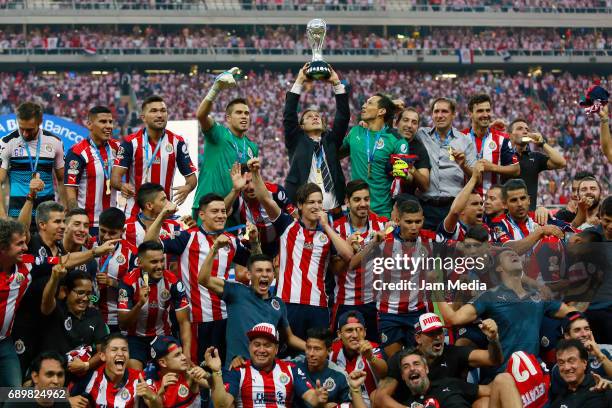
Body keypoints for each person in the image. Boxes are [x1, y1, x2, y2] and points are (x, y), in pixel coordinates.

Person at [248, 157, 353, 340]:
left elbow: (348, 255)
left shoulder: (328, 234)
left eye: (319, 202)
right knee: (286, 355)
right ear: (300, 205)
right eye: (311, 202)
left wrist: (326, 226)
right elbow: (265, 198)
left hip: (318, 304)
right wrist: (256, 173)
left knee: (316, 356)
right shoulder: (287, 225)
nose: (316, 206)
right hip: (287, 303)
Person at [144, 196, 255, 364]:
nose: (221, 215)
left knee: (225, 368)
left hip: (226, 319)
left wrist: (255, 243)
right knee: (199, 370)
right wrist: (162, 215)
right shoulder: (187, 237)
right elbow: (148, 245)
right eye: (215, 211)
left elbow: (255, 263)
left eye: (223, 211)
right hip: (197, 320)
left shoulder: (231, 241)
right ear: (202, 215)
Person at [13, 201, 116, 378]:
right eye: (58, 222)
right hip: (25, 325)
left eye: (63, 221)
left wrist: (94, 252)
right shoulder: (31, 244)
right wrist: (30, 198)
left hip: (49, 328)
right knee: (15, 384)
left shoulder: (59, 250)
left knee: (44, 381)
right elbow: (19, 230)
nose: (62, 226)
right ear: (42, 225)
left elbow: (66, 260)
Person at [437, 248, 576, 372]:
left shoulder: (538, 295)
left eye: (515, 253)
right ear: (499, 268)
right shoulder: (489, 296)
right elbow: (453, 318)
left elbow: (572, 314)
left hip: (534, 370)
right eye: (508, 255)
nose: (513, 254)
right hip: (504, 371)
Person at [348, 199, 434, 357]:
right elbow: (353, 264)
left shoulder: (429, 239)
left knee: (418, 363)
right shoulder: (383, 240)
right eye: (408, 222)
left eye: (418, 221)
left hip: (417, 312)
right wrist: (373, 244)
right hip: (389, 314)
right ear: (397, 220)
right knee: (395, 364)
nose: (414, 227)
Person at [198, 251, 304, 369]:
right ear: (249, 274)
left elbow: (289, 338)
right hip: (237, 368)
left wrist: (314, 348)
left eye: (268, 271)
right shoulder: (236, 291)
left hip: (266, 372)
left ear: (273, 275)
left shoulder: (278, 304)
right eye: (259, 270)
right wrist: (215, 248)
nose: (264, 274)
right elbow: (203, 279)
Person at [375, 312, 503, 408]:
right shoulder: (403, 359)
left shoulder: (454, 353)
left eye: (440, 332)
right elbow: (380, 396)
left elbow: (494, 360)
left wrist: (493, 340)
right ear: (418, 338)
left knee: (484, 403)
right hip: (415, 403)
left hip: (453, 401)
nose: (437, 337)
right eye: (431, 333)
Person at [205, 323, 332, 408]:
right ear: (249, 346)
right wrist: (216, 371)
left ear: (276, 349)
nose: (261, 350)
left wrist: (318, 397)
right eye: (257, 344)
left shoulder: (290, 369)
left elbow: (310, 396)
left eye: (267, 345)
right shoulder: (238, 370)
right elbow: (222, 405)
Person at [111, 95, 197, 218]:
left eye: (163, 111)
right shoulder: (130, 143)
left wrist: (188, 188)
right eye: (153, 111)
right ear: (143, 117)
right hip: (135, 214)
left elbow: (192, 179)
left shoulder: (177, 142)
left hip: (165, 214)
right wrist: (122, 186)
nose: (160, 115)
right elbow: (115, 178)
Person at [283, 63, 350, 214]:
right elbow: (289, 115)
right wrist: (299, 81)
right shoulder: (296, 141)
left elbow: (343, 117)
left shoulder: (331, 141)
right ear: (301, 126)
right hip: (305, 213)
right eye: (309, 116)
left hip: (335, 210)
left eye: (317, 116)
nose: (315, 117)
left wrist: (337, 84)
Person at [193, 68, 259, 216]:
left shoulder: (252, 147)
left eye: (247, 113)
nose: (244, 116)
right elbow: (201, 115)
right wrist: (215, 89)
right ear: (228, 118)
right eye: (239, 113)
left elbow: (248, 181)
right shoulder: (219, 134)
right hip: (207, 206)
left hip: (232, 210)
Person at [118, 240, 191, 370]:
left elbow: (184, 322)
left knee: (177, 370)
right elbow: (123, 323)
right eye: (154, 262)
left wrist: (187, 353)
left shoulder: (173, 282)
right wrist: (139, 304)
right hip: (136, 338)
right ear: (140, 263)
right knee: (135, 373)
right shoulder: (128, 282)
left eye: (162, 260)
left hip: (163, 336)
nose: (160, 266)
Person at [331, 180, 388, 341]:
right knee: (339, 351)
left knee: (374, 351)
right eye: (357, 200)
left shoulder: (382, 225)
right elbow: (335, 269)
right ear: (347, 202)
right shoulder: (337, 229)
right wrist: (348, 251)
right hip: (345, 301)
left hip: (374, 303)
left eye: (366, 199)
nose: (363, 204)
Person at [340, 93, 409, 218]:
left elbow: (400, 182)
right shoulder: (355, 131)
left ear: (381, 111)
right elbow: (334, 154)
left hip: (383, 213)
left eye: (369, 103)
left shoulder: (397, 141)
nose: (363, 106)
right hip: (355, 212)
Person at [0, 102, 66, 223]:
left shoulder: (55, 142)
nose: (25, 133)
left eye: (29, 129)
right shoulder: (6, 142)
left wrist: (66, 211)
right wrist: (2, 216)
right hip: (17, 213)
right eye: (21, 128)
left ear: (40, 122)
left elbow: (62, 180)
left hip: (48, 213)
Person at [40, 269, 107, 378]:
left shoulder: (95, 314)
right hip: (53, 375)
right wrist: (54, 278)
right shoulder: (55, 310)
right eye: (80, 293)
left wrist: (86, 365)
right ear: (66, 291)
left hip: (84, 377)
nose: (85, 298)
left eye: (88, 294)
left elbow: (103, 351)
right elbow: (46, 301)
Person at [64, 106, 120, 234]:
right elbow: (70, 189)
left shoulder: (118, 148)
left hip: (112, 223)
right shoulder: (77, 152)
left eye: (110, 122)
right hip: (89, 225)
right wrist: (78, 223)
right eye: (103, 122)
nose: (108, 126)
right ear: (89, 124)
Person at [69, 333, 161, 408]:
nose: (120, 353)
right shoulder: (91, 377)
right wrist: (67, 401)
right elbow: (55, 393)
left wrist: (153, 398)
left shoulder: (141, 379)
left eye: (124, 350)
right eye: (114, 350)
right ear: (103, 356)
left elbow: (158, 405)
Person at [225, 163, 297, 257]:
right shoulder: (237, 198)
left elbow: (295, 218)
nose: (251, 187)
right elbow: (222, 212)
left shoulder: (276, 191)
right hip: (253, 245)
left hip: (280, 243)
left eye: (253, 181)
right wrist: (235, 190)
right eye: (246, 182)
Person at [491, 179, 573, 256]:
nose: (519, 204)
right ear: (505, 204)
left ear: (529, 200)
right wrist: (541, 231)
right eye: (514, 200)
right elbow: (511, 250)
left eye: (523, 198)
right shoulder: (499, 223)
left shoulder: (540, 217)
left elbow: (574, 235)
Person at [294, 327, 368, 408]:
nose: (311, 353)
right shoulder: (294, 366)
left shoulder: (340, 375)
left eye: (317, 349)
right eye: (308, 348)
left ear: (329, 351)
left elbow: (349, 406)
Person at [462, 94, 519, 193]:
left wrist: (492, 167)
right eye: (480, 111)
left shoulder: (502, 139)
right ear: (470, 113)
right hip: (466, 203)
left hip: (493, 202)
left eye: (488, 110)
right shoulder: (459, 138)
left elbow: (516, 169)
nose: (485, 114)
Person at [396, 348, 489, 408]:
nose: (412, 368)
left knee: (500, 381)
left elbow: (490, 391)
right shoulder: (406, 406)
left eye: (416, 364)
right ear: (403, 376)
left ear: (426, 369)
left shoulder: (450, 383)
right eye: (406, 367)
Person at [330, 311, 387, 407]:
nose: (355, 335)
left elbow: (384, 372)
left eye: (359, 330)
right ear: (339, 334)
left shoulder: (372, 348)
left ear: (365, 332)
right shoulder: (333, 351)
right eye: (349, 330)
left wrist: (371, 357)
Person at [508, 118, 566, 211]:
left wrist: (542, 143)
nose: (525, 131)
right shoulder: (502, 155)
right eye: (520, 128)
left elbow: (562, 162)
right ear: (510, 135)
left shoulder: (535, 157)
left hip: (529, 216)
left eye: (527, 129)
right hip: (506, 215)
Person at [95, 207, 138, 332]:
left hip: (116, 319)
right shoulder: (88, 245)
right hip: (89, 316)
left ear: (122, 231)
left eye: (112, 233)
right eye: (102, 231)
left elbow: (137, 289)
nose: (107, 237)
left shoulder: (132, 253)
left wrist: (113, 283)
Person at [0, 218, 31, 387]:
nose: (25, 248)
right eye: (19, 244)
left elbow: (64, 261)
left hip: (4, 342)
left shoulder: (26, 266)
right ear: (3, 247)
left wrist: (94, 252)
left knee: (15, 395)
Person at [550, 311, 612, 394]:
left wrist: (600, 355)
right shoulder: (560, 367)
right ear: (567, 336)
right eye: (577, 330)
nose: (584, 334)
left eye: (586, 329)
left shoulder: (605, 352)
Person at [148, 336, 209, 408]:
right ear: (163, 363)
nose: (184, 357)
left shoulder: (189, 373)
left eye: (182, 353)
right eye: (177, 355)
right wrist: (161, 392)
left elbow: (217, 386)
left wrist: (208, 375)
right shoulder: (150, 383)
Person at [550, 339, 612, 408]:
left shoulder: (603, 385)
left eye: (571, 361)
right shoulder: (558, 401)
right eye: (561, 363)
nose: (566, 367)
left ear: (584, 363)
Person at [437, 161, 486, 243]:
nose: (481, 208)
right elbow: (455, 212)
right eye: (475, 204)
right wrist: (474, 178)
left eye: (481, 204)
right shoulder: (454, 228)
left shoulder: (486, 228)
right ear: (461, 210)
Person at [124, 183, 185, 248]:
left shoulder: (176, 223)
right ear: (149, 206)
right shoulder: (127, 227)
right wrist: (162, 215)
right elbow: (146, 251)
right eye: (163, 199)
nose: (168, 203)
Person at [4, 351, 71, 408]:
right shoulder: (15, 404)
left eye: (60, 375)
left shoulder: (63, 403)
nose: (56, 381)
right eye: (49, 374)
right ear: (35, 377)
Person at [390, 107, 431, 197]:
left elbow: (425, 186)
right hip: (380, 199)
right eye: (405, 120)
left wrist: (412, 169)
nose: (409, 125)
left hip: (404, 202)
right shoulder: (386, 139)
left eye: (414, 122)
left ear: (417, 127)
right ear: (397, 123)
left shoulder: (420, 149)